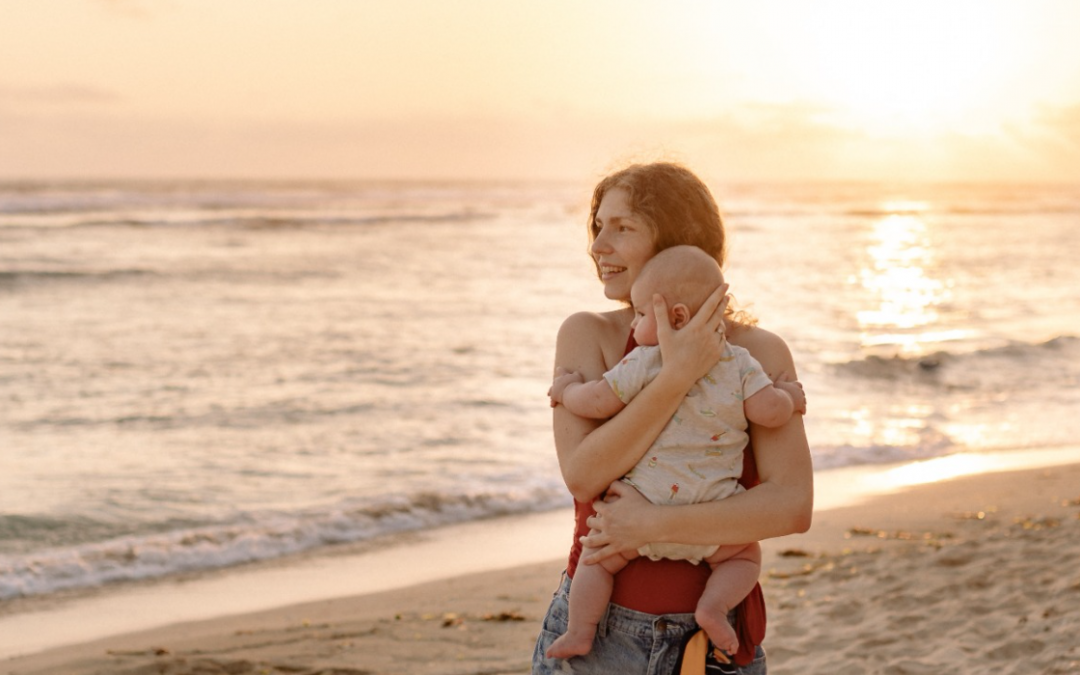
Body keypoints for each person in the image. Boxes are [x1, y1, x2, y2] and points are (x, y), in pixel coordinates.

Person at [532, 162, 814, 675]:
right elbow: (583, 474)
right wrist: (678, 374)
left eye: (623, 227)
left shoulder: (759, 352)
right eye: (598, 227)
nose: (598, 246)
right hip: (601, 639)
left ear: (677, 243)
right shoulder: (586, 335)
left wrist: (649, 525)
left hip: (713, 642)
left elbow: (792, 507)